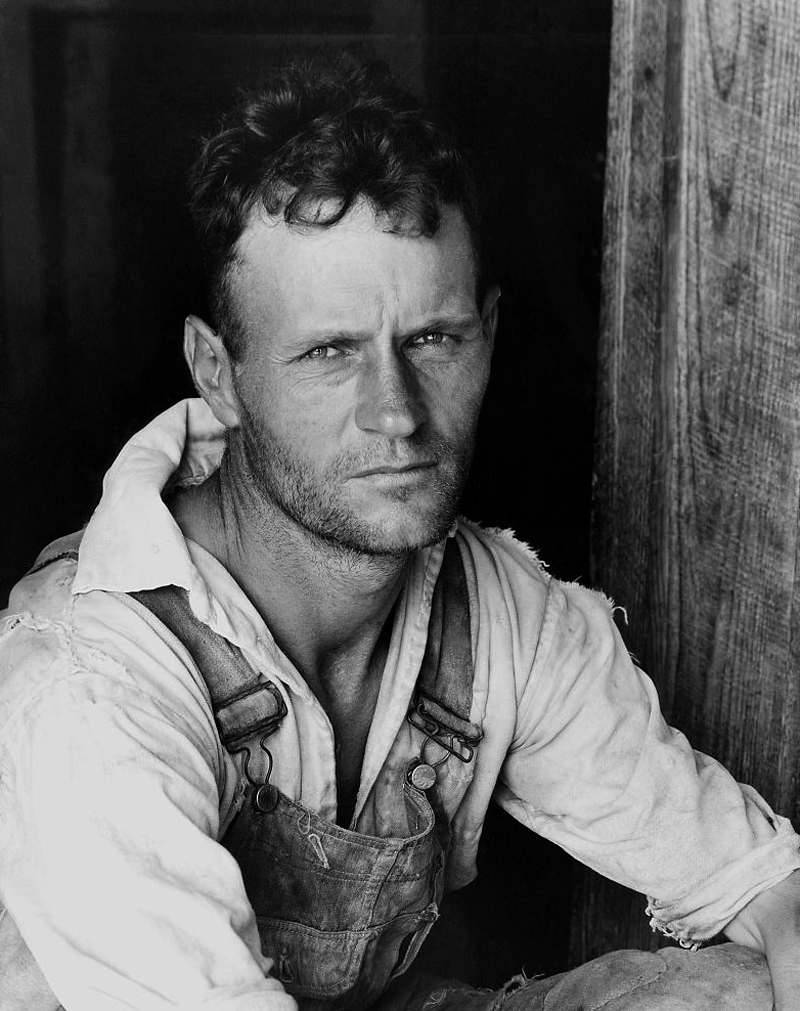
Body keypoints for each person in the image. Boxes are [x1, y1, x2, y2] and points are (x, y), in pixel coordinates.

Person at [0, 55, 798, 1011]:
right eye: (330, 352)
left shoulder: (498, 612)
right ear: (217, 372)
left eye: (432, 340)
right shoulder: (88, 681)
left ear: (488, 337)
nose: (397, 413)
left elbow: (760, 883)